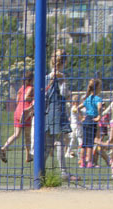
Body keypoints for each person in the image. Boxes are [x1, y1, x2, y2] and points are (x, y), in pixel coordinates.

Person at [44, 49, 74, 179]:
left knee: (48, 144)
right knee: (60, 143)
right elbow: (64, 93)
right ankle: (63, 172)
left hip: (48, 112)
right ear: (64, 61)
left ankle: (40, 170)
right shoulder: (61, 77)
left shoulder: (46, 77)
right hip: (58, 112)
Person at [1, 70, 34, 163]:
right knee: (28, 136)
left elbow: (17, 100)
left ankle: (4, 147)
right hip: (26, 112)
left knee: (16, 134)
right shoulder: (31, 88)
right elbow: (26, 98)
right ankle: (28, 156)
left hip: (18, 111)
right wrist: (33, 99)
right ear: (31, 80)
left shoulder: (21, 88)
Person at [79, 78, 104, 168]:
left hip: (86, 120)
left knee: (84, 142)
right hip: (92, 120)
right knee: (90, 143)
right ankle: (89, 162)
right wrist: (99, 116)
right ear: (97, 88)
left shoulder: (88, 98)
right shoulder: (98, 98)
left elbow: (78, 107)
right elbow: (100, 107)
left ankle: (82, 161)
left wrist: (81, 117)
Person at [67, 93, 83, 159]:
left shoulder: (74, 108)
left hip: (74, 125)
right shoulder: (74, 108)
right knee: (80, 140)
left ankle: (68, 152)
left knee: (73, 140)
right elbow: (80, 117)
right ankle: (80, 154)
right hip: (76, 126)